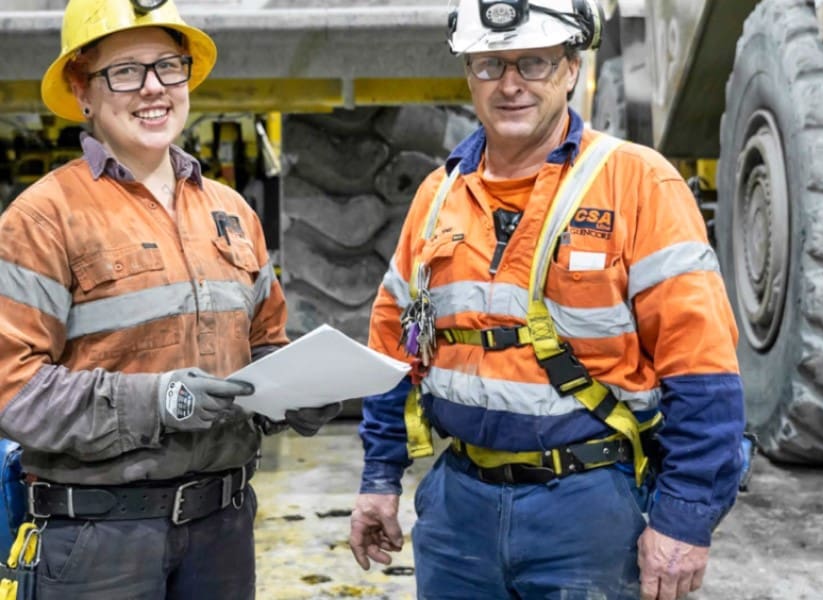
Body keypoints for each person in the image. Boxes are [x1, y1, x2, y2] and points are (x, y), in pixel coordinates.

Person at [348, 0, 747, 598]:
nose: (510, 85)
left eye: (532, 63)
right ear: (468, 74)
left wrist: (683, 521)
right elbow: (391, 352)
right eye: (490, 65)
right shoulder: (438, 195)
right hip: (458, 509)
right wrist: (380, 478)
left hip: (588, 508)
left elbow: (703, 368)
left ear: (569, 68)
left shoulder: (639, 183)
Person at [0, 0, 338, 597]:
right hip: (99, 540)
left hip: (223, 530)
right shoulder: (44, 217)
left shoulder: (232, 213)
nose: (153, 89)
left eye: (168, 67)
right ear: (82, 87)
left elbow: (262, 354)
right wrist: (159, 401)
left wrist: (296, 396)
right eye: (125, 72)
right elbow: (13, 388)